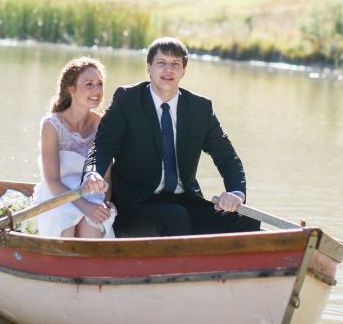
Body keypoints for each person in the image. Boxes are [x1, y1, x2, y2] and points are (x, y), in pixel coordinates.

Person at [86, 37, 261, 237]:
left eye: (175, 64)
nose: (168, 70)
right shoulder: (128, 100)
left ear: (183, 71)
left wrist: (236, 193)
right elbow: (102, 145)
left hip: (185, 201)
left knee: (247, 219)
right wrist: (93, 173)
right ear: (149, 67)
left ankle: (230, 268)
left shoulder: (200, 108)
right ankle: (181, 268)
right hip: (135, 207)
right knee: (175, 217)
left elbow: (227, 157)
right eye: (161, 63)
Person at [32, 56, 116, 238]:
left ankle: (89, 265)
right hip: (58, 195)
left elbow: (107, 176)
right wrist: (85, 207)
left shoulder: (102, 125)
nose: (97, 90)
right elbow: (52, 181)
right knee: (65, 222)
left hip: (92, 195)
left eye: (99, 84)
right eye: (89, 84)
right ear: (72, 89)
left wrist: (104, 202)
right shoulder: (51, 125)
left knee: (93, 224)